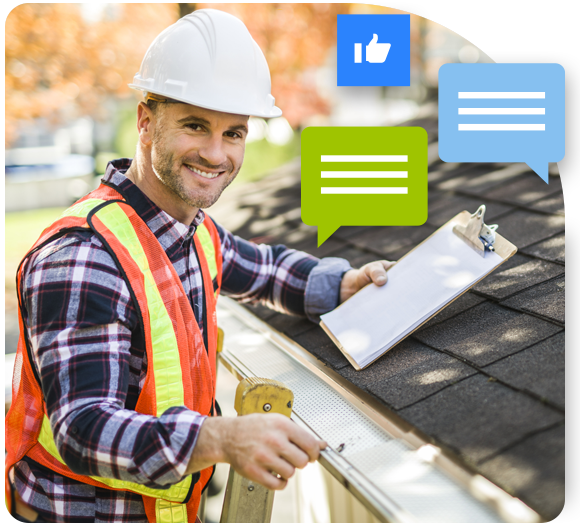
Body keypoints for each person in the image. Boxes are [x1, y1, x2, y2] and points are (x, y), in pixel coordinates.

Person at [5, 9, 393, 523]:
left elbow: (264, 270)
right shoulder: (84, 258)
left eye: (234, 133)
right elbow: (84, 428)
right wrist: (220, 438)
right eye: (195, 126)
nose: (216, 153)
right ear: (146, 121)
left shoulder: (191, 232)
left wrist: (341, 284)